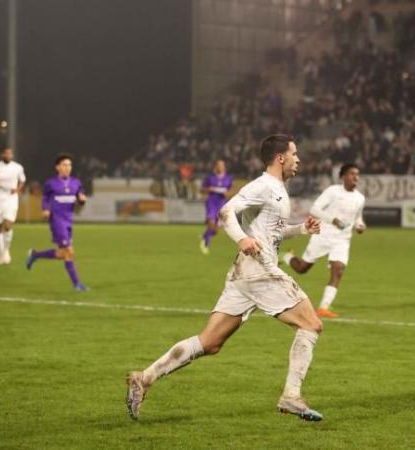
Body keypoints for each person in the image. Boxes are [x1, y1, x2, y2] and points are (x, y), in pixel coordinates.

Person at [125, 134, 325, 422]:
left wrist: (302, 229)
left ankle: (144, 378)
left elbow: (273, 231)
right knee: (311, 325)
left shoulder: (278, 189)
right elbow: (225, 211)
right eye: (294, 154)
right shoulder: (264, 186)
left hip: (244, 273)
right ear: (280, 157)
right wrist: (242, 238)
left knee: (210, 342)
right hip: (260, 271)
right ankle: (291, 396)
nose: (298, 159)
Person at [282, 163, 366, 318]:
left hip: (342, 240)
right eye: (352, 174)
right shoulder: (333, 191)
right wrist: (332, 220)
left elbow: (358, 218)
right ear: (342, 176)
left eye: (357, 174)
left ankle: (323, 308)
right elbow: (315, 209)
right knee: (302, 268)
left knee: (338, 270)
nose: (355, 177)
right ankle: (287, 257)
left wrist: (360, 225)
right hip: (324, 236)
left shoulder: (360, 198)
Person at [26, 153, 88, 291]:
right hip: (57, 220)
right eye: (65, 165)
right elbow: (45, 198)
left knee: (62, 254)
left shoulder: (76, 182)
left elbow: (80, 197)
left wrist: (82, 200)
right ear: (57, 167)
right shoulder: (50, 183)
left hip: (69, 220)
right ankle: (77, 284)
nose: (68, 167)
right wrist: (45, 209)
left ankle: (35, 255)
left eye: (70, 165)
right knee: (69, 252)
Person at [0, 146, 26, 265]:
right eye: (6, 154)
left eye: (10, 154)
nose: (8, 156)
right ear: (1, 155)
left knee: (7, 225)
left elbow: (22, 180)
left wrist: (17, 189)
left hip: (11, 199)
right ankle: (1, 254)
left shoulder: (17, 167)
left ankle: (6, 250)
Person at [199, 159, 233, 255]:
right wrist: (208, 189)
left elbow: (230, 191)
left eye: (222, 165)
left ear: (224, 167)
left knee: (216, 230)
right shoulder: (210, 178)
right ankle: (205, 245)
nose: (220, 167)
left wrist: (228, 193)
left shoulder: (228, 178)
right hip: (211, 202)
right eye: (219, 165)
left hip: (221, 203)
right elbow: (201, 189)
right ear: (216, 167)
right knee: (211, 223)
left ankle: (205, 235)